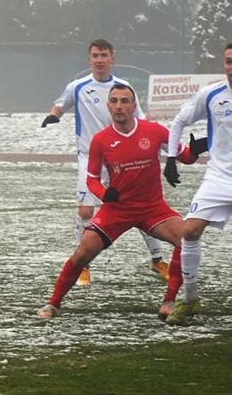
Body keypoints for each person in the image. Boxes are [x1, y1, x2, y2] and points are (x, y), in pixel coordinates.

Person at [37, 84, 198, 318]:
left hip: (152, 208)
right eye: (114, 101)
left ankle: (169, 301)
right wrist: (104, 195)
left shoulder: (154, 131)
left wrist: (196, 149)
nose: (119, 106)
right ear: (108, 106)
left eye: (124, 101)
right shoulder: (101, 140)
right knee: (83, 253)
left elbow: (186, 157)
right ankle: (53, 303)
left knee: (186, 238)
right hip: (117, 210)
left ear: (134, 106)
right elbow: (91, 179)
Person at [42, 39, 169, 285]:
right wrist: (53, 116)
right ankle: (82, 266)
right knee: (85, 210)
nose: (100, 60)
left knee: (139, 208)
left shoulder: (124, 88)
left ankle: (157, 260)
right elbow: (59, 104)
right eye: (95, 55)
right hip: (90, 158)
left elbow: (140, 120)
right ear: (89, 60)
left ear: (112, 59)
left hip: (122, 160)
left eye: (104, 55)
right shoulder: (78, 87)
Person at [162, 42, 232, 325]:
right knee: (189, 230)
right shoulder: (211, 94)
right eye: (228, 61)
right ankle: (190, 301)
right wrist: (170, 158)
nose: (231, 67)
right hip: (219, 176)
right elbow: (179, 121)